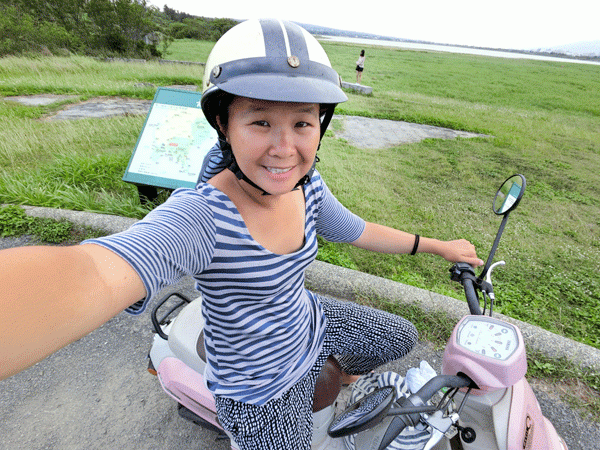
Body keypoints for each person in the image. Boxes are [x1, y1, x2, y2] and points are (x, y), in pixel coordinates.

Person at [0, 19, 482, 450]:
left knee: (399, 336)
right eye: (260, 121)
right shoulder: (201, 218)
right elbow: (97, 273)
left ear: (321, 126)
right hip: (259, 391)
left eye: (302, 123)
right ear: (223, 125)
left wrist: (437, 246)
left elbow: (356, 230)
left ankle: (331, 391)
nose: (284, 148)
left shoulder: (306, 186)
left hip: (307, 324)